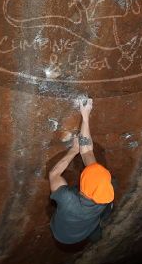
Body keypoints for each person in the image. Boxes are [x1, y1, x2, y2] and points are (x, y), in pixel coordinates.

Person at [48, 98, 115, 244]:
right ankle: (95, 232)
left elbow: (53, 174)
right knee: (99, 225)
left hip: (63, 235)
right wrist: (85, 116)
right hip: (89, 223)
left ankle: (92, 232)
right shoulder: (105, 198)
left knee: (93, 227)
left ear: (82, 188)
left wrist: (73, 151)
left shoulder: (68, 200)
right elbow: (87, 153)